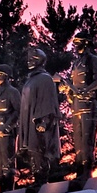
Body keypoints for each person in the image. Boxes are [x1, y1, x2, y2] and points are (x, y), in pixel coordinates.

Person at [64, 34, 97, 180]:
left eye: (78, 42)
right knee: (78, 142)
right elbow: (73, 84)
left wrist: (86, 90)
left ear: (86, 43)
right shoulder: (75, 63)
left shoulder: (94, 60)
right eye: (74, 42)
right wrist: (69, 91)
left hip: (90, 105)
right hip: (76, 106)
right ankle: (80, 170)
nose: (75, 45)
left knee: (88, 141)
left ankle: (86, 172)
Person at [18, 48, 60, 185]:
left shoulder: (45, 79)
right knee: (31, 150)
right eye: (29, 59)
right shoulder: (31, 80)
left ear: (40, 61)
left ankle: (41, 179)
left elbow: (49, 101)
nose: (29, 61)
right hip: (28, 121)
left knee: (39, 149)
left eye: (33, 59)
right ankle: (37, 177)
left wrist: (44, 120)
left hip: (39, 122)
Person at [0, 64, 20, 191]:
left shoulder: (12, 92)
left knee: (7, 163)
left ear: (6, 76)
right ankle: (2, 188)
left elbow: (18, 111)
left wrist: (7, 127)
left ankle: (8, 189)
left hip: (6, 132)